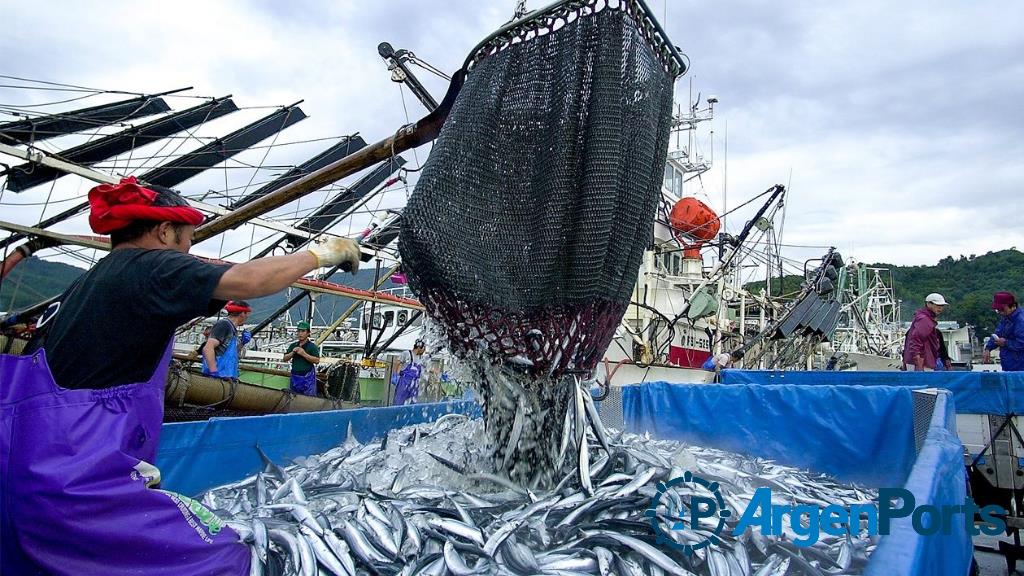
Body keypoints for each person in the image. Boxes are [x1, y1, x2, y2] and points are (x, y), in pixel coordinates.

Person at [3, 177, 361, 575]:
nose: (189, 249)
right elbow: (250, 279)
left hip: (21, 475)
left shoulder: (90, 283)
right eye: (187, 238)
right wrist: (321, 254)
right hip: (73, 485)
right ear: (164, 231)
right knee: (225, 558)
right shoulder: (150, 267)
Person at [201, 300, 252, 379]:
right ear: (242, 313)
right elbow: (208, 348)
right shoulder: (224, 325)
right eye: (247, 314)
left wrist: (242, 343)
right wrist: (213, 371)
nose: (247, 317)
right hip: (216, 376)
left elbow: (228, 353)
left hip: (226, 376)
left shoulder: (232, 328)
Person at [902, 293, 947, 371]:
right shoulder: (925, 319)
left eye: (942, 306)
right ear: (928, 304)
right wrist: (918, 361)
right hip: (922, 362)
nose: (940, 308)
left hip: (920, 361)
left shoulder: (923, 317)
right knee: (923, 382)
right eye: (937, 305)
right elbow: (916, 340)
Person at [983, 291, 1024, 371]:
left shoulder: (1021, 321)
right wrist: (988, 348)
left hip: (1020, 367)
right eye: (998, 310)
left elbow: (1022, 343)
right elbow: (998, 333)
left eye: (1002, 309)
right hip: (1008, 365)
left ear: (1012, 306)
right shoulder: (1006, 317)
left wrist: (1005, 343)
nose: (1000, 312)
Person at [283, 320, 320, 396]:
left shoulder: (312, 347)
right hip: (295, 376)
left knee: (308, 398)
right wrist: (292, 353)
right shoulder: (293, 345)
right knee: (293, 397)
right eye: (299, 331)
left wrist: (304, 354)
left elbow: (317, 360)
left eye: (303, 331)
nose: (300, 333)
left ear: (308, 333)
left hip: (307, 378)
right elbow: (285, 358)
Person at [393, 338, 427, 405]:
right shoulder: (406, 354)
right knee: (399, 401)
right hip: (404, 381)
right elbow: (397, 363)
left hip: (415, 383)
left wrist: (440, 374)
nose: (424, 350)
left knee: (412, 402)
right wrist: (394, 375)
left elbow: (428, 368)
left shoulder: (421, 358)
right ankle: (396, 414)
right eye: (424, 348)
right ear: (419, 347)